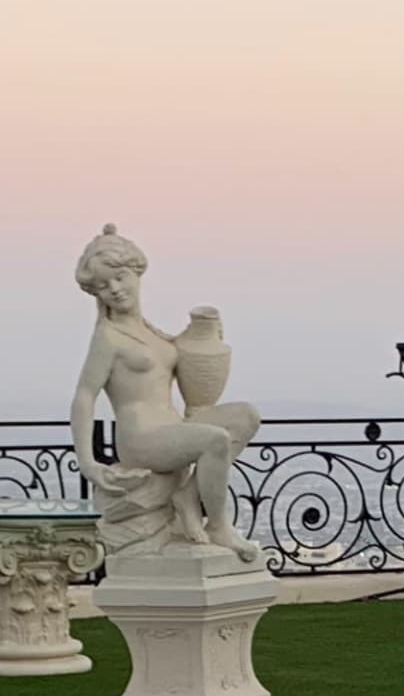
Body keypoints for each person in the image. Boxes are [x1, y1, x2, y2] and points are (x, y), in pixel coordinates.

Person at [66, 225, 262, 561]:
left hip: (172, 428)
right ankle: (218, 525)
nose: (113, 289)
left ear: (136, 274)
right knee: (214, 439)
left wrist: (207, 334)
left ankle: (186, 496)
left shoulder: (151, 332)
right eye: (102, 285)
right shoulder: (108, 337)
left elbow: (185, 363)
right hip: (142, 439)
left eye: (119, 277)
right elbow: (85, 395)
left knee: (246, 416)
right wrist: (88, 462)